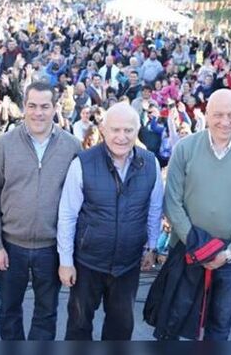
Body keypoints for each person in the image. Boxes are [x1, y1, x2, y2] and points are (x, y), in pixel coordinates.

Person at [0, 81, 81, 340]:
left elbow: (79, 201)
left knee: (46, 312)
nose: (38, 112)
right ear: (24, 107)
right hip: (11, 245)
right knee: (9, 311)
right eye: (32, 106)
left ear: (55, 108)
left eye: (45, 106)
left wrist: (69, 251)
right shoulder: (4, 144)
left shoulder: (72, 146)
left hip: (51, 248)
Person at [163, 89, 231, 340]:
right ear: (206, 115)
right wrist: (198, 246)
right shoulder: (185, 148)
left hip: (230, 254)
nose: (225, 121)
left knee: (220, 322)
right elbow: (172, 201)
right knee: (175, 319)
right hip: (187, 248)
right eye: (218, 114)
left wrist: (230, 251)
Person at [57, 102, 163, 340]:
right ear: (103, 130)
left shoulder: (151, 164)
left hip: (128, 264)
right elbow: (67, 215)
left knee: (121, 327)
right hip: (88, 262)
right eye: (115, 130)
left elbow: (155, 208)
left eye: (128, 130)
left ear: (138, 131)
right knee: (79, 325)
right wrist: (66, 261)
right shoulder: (82, 164)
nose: (122, 137)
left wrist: (152, 246)